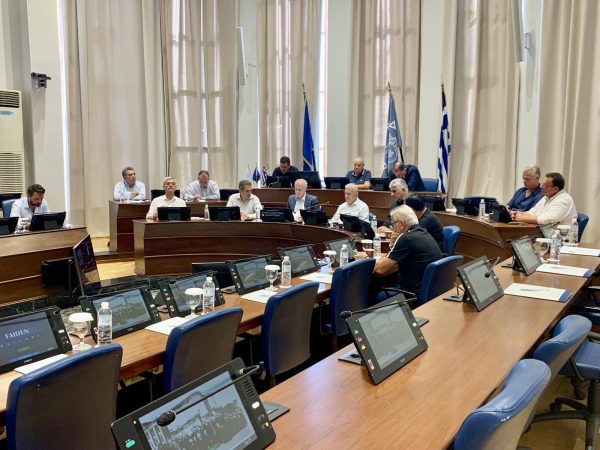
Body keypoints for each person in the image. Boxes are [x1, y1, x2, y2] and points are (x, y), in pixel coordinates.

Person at [356, 205, 442, 302]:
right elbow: (397, 256)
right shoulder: (423, 233)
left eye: (393, 224)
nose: (392, 228)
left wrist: (366, 258)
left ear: (401, 224)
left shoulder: (406, 238)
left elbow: (379, 269)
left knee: (372, 292)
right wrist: (393, 243)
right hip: (429, 292)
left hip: (412, 295)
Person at [511, 172, 577, 226]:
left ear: (555, 189)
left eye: (545, 185)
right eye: (542, 184)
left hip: (559, 236)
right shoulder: (547, 197)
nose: (541, 187)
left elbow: (547, 220)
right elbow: (533, 212)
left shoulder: (564, 200)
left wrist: (522, 218)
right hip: (545, 232)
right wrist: (517, 214)